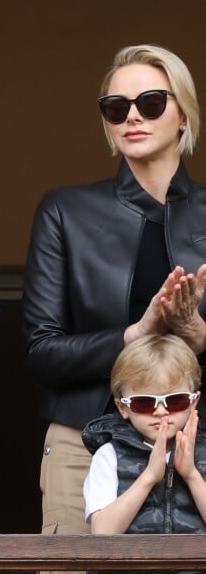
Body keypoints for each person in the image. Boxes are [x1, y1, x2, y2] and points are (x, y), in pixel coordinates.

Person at [21, 42, 206, 544]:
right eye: (115, 107)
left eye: (150, 103)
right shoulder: (66, 211)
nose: (132, 117)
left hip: (200, 446)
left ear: (183, 115)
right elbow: (41, 353)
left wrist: (199, 334)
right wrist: (134, 335)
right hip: (83, 441)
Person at [83, 333, 205, 534]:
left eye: (175, 400)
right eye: (144, 402)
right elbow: (102, 533)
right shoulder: (109, 455)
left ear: (193, 402)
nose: (160, 411)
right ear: (123, 407)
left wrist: (192, 475)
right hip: (130, 565)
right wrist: (148, 476)